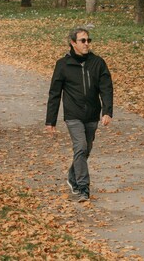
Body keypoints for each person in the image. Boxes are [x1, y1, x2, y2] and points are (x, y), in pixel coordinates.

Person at [45, 27, 114, 203]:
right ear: (73, 43)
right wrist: (50, 121)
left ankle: (72, 176)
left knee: (86, 149)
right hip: (73, 115)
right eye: (82, 41)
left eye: (88, 40)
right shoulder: (63, 65)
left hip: (92, 114)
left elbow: (106, 88)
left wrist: (107, 111)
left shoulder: (97, 63)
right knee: (81, 147)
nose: (86, 44)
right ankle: (83, 188)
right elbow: (54, 94)